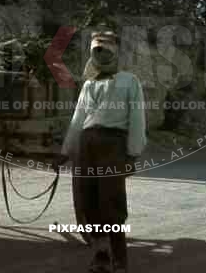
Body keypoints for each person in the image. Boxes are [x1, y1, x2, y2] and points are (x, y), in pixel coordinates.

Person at [55, 27, 147, 273]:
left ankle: (120, 262)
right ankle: (100, 257)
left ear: (115, 52)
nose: (101, 54)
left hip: (113, 145)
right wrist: (66, 151)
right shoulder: (88, 85)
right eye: (96, 50)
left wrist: (132, 153)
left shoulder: (130, 81)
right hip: (87, 144)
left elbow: (137, 119)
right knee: (89, 201)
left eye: (105, 49)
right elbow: (78, 120)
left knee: (111, 202)